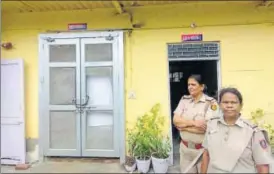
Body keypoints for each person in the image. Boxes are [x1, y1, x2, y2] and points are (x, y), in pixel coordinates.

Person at [201, 87, 273, 173]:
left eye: (234, 102)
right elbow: (206, 155)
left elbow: (263, 165)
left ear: (241, 105)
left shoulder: (253, 132)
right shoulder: (212, 124)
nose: (229, 105)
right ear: (219, 105)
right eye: (225, 102)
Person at [173, 74, 219, 173]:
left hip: (202, 152)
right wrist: (194, 123)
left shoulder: (211, 103)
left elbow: (205, 128)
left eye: (193, 84)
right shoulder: (184, 100)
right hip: (185, 151)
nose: (190, 87)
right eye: (188, 84)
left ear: (202, 87)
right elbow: (175, 120)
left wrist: (183, 127)